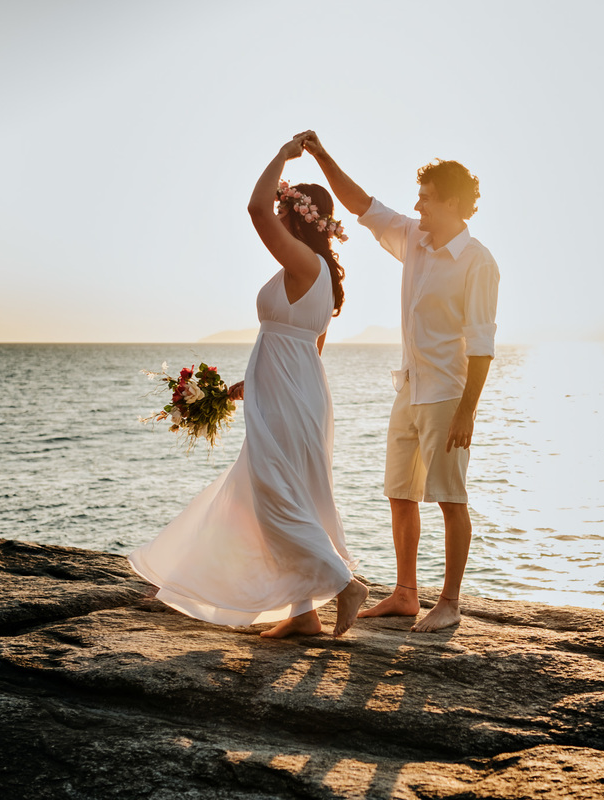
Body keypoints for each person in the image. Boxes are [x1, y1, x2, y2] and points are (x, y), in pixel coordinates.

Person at [129, 134, 368, 638]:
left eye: (285, 210)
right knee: (284, 491)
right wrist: (250, 383)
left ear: (299, 217)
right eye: (280, 210)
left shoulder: (305, 264)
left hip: (288, 396)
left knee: (275, 494)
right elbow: (308, 348)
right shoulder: (315, 271)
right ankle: (303, 612)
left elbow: (255, 209)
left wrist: (283, 155)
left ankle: (344, 584)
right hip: (292, 392)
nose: (276, 216)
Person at [301, 131, 499, 632]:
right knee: (400, 492)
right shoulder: (413, 238)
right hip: (408, 389)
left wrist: (468, 410)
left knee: (451, 499)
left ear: (452, 203)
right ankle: (406, 594)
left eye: (426, 198)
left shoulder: (478, 262)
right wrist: (322, 155)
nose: (417, 205)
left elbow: (482, 343)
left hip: (448, 395)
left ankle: (449, 603)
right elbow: (362, 205)